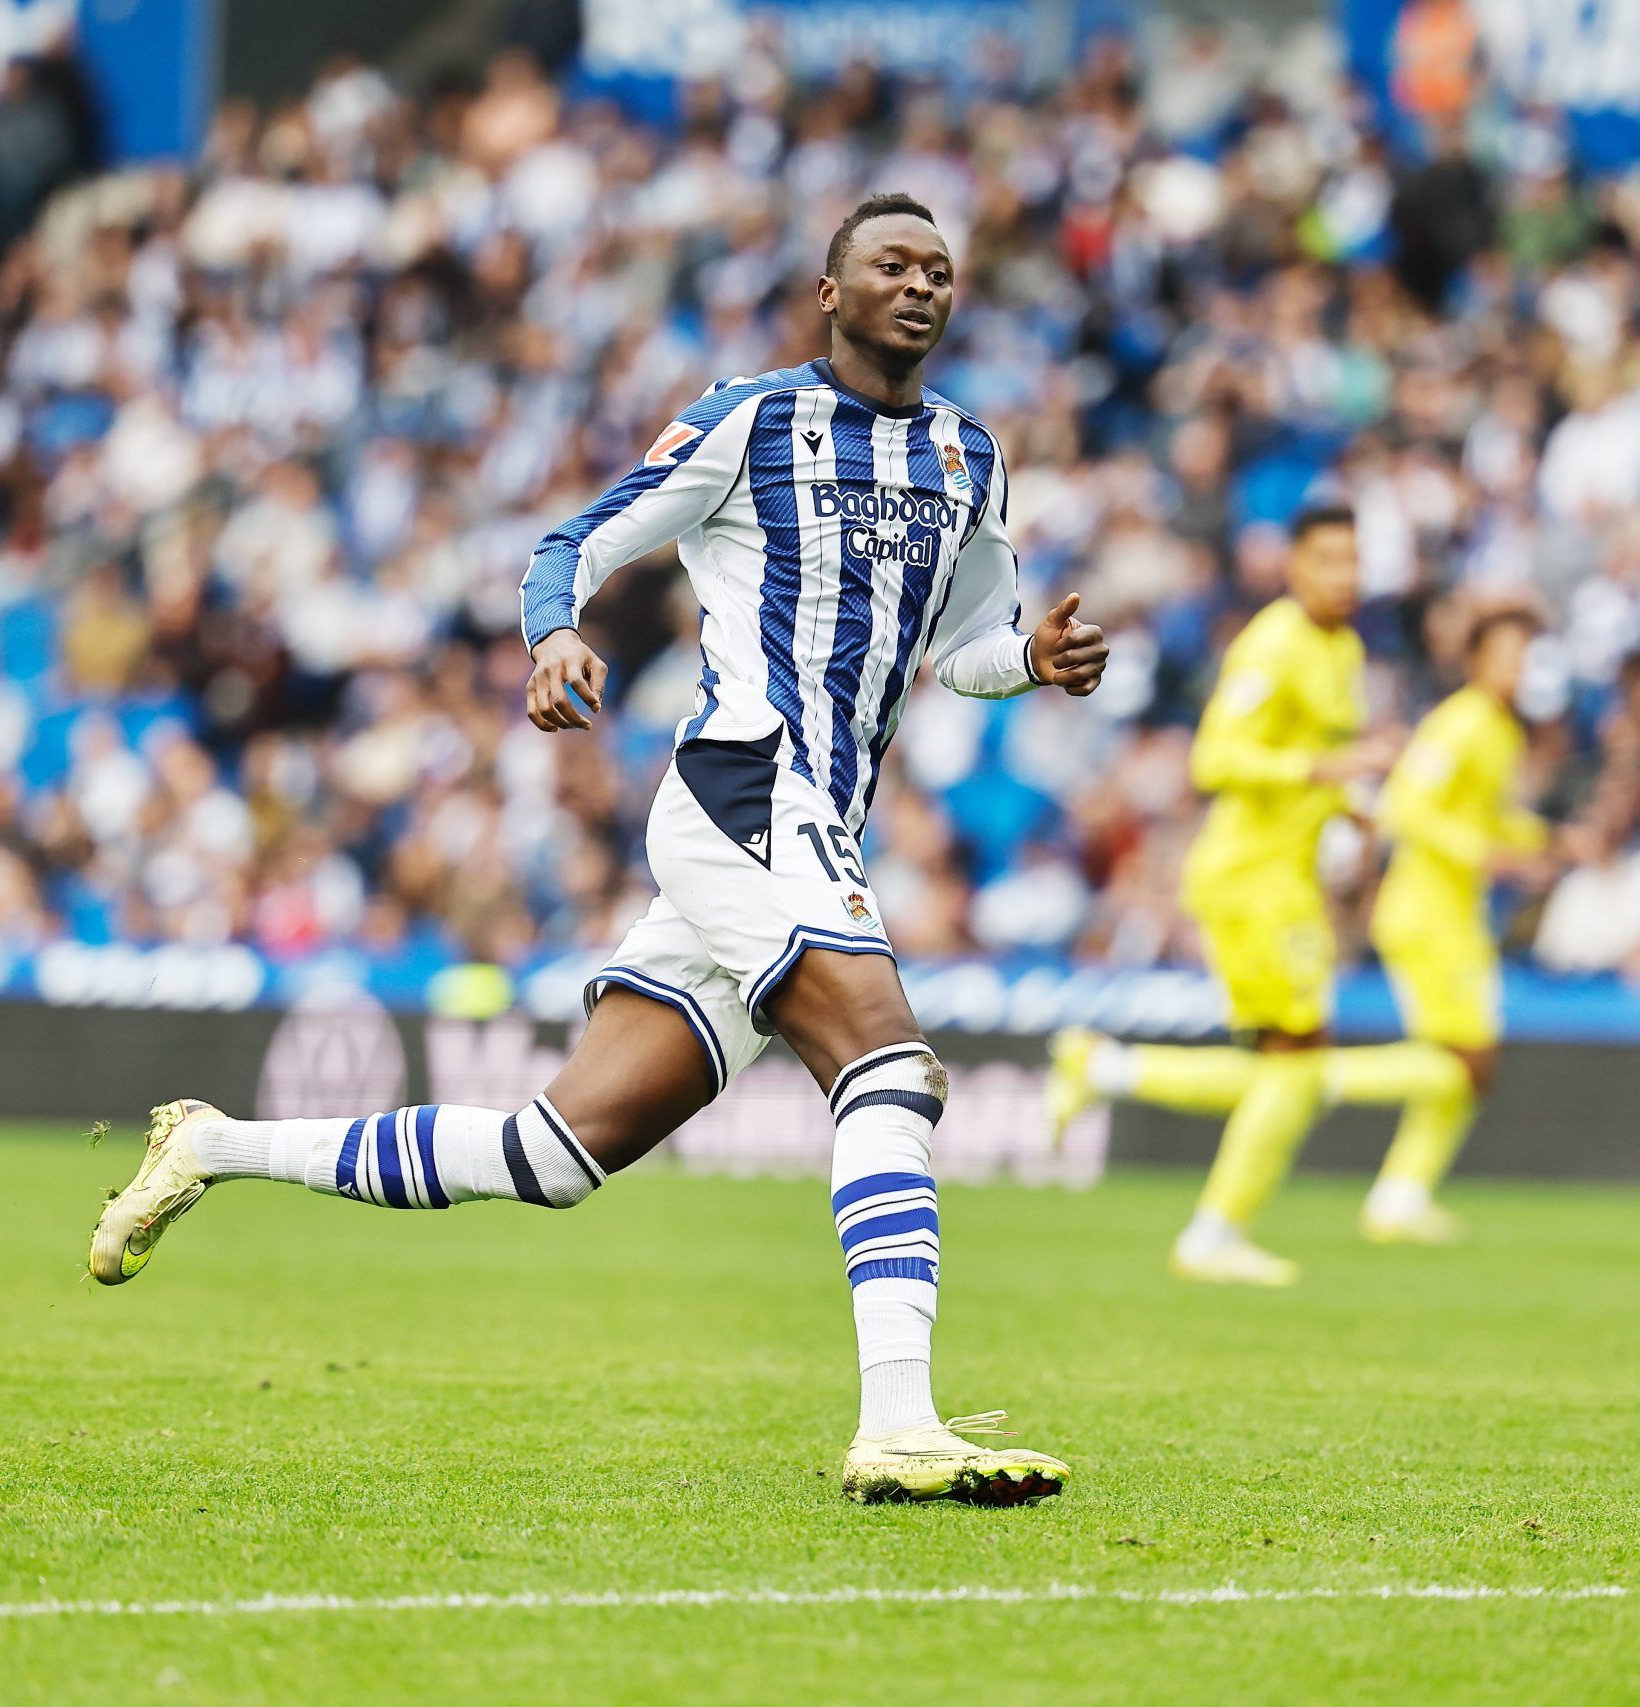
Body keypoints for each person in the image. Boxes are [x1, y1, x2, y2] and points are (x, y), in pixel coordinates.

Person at [88, 193, 1109, 1506]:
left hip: (809, 823)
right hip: (748, 785)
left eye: (940, 270)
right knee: (892, 1068)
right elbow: (578, 537)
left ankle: (216, 1144)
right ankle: (899, 1420)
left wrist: (1028, 657)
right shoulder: (752, 420)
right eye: (891, 265)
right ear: (830, 291)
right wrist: (558, 630)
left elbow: (964, 646)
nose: (921, 285)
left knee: (553, 1152)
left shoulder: (971, 457)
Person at [1043, 505, 1397, 1285]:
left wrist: (1355, 811)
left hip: (1289, 875)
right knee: (1301, 1064)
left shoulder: (1343, 648)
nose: (1346, 574)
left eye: (1353, 559)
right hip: (1249, 875)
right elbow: (1215, 756)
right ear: (1294, 567)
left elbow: (1328, 758)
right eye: (1329, 559)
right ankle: (1212, 1233)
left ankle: (1105, 1070)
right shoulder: (1274, 643)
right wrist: (1327, 774)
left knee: (1285, 1066)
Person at [1345, 607, 1551, 1242]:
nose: (1518, 668)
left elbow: (1486, 816)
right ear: (1477, 660)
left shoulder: (1500, 730)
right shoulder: (1460, 722)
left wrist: (1547, 841)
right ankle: (1316, 1081)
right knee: (1466, 1062)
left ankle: (1401, 1196)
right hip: (1425, 914)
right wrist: (1485, 853)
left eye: (1526, 656)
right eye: (1507, 655)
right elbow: (1403, 809)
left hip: (1456, 918)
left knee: (1468, 1064)